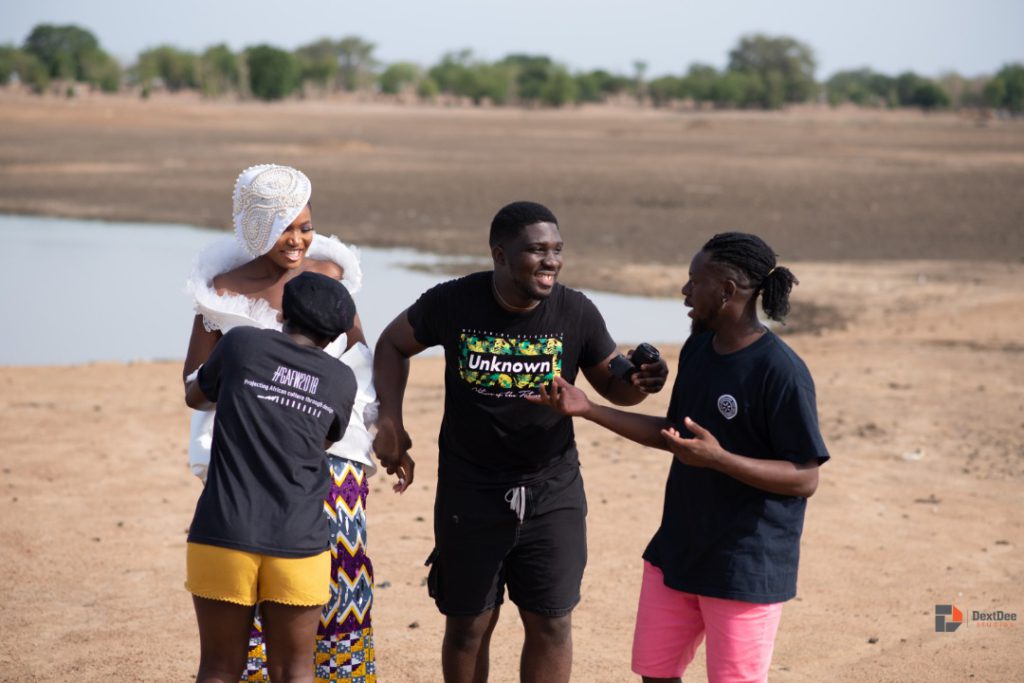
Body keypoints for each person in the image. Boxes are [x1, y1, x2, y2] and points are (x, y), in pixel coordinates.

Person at [372, 201, 669, 683]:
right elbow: (392, 344)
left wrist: (642, 382)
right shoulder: (453, 301)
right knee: (469, 626)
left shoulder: (576, 311)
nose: (551, 261)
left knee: (551, 622)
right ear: (500, 255)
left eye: (557, 250)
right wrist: (391, 419)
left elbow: (616, 388)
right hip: (470, 491)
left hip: (552, 490)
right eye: (537, 250)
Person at [528, 232, 830, 683]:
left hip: (745, 564)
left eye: (695, 281)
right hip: (678, 551)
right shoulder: (698, 350)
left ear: (726, 290)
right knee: (655, 674)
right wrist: (587, 408)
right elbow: (672, 434)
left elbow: (805, 478)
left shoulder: (781, 371)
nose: (685, 290)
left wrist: (720, 459)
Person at [183, 164, 377, 682]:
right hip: (251, 456)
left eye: (305, 227)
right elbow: (194, 382)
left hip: (335, 457)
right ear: (254, 228)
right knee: (242, 603)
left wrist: (380, 436)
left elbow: (359, 364)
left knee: (336, 588)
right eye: (282, 228)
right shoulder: (223, 289)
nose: (296, 240)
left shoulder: (330, 277)